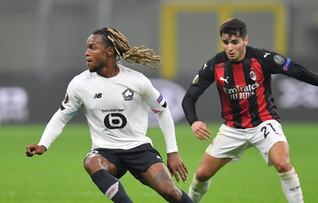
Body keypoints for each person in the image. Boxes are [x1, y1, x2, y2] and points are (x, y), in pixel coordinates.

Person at [181, 18, 318, 203]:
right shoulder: (214, 65)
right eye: (226, 42)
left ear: (245, 40)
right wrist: (194, 121)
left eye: (235, 42)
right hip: (233, 129)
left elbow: (299, 71)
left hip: (264, 123)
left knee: (282, 163)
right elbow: (189, 98)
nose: (230, 47)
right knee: (202, 174)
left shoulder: (262, 59)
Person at [25, 27, 193, 203]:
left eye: (92, 47)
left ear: (110, 51)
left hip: (138, 148)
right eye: (87, 48)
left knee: (170, 192)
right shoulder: (79, 84)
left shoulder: (137, 81)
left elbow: (163, 110)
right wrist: (43, 144)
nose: (86, 53)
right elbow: (62, 115)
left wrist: (172, 152)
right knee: (91, 161)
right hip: (106, 151)